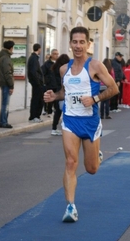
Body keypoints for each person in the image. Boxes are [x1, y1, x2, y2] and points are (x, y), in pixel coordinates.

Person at [44, 26, 118, 222]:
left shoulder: (95, 66)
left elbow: (114, 88)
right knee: (70, 162)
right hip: (70, 121)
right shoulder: (63, 69)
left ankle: (97, 155)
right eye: (74, 42)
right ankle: (70, 207)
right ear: (70, 44)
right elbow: (65, 92)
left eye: (81, 42)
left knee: (91, 169)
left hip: (90, 122)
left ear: (88, 44)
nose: (78, 46)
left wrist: (94, 99)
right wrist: (54, 96)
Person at [50, 53, 70, 135]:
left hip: (56, 91)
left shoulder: (54, 67)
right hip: (62, 91)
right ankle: (65, 128)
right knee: (65, 110)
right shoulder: (63, 69)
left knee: (57, 111)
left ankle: (54, 128)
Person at [0, 40, 15, 128]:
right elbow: (7, 73)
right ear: (10, 48)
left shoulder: (3, 56)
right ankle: (3, 122)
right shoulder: (6, 58)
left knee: (4, 103)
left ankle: (3, 121)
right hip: (6, 84)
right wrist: (11, 85)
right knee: (5, 104)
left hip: (3, 83)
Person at [27, 43, 44, 123]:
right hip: (36, 83)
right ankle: (34, 116)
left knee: (36, 99)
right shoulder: (34, 58)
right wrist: (38, 81)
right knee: (37, 100)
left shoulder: (34, 58)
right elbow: (34, 72)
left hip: (36, 82)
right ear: (39, 49)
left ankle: (35, 116)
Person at [41, 48, 59, 117]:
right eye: (54, 54)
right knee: (50, 99)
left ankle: (56, 111)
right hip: (50, 84)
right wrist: (47, 80)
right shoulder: (47, 64)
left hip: (57, 84)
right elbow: (42, 72)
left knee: (56, 99)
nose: (56, 55)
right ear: (51, 54)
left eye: (57, 54)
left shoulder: (58, 63)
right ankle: (49, 112)